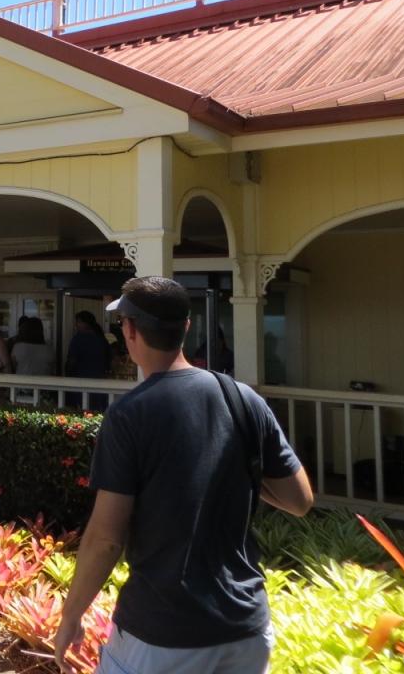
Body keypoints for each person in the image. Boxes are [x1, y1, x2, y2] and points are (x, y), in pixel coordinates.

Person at [53, 277, 313, 674]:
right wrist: (234, 466)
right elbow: (299, 500)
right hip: (246, 628)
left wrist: (71, 615)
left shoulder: (130, 414)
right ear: (187, 328)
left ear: (130, 330)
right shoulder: (243, 399)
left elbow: (106, 539)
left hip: (162, 631)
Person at [66, 310, 110, 378]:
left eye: (79, 322)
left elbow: (71, 361)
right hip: (99, 379)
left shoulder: (78, 339)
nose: (76, 325)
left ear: (87, 323)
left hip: (80, 379)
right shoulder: (101, 338)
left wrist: (68, 374)